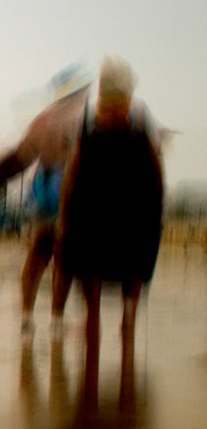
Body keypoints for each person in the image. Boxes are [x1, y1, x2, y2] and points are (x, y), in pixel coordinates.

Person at [58, 56, 163, 397]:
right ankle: (94, 370)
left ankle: (124, 344)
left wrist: (155, 208)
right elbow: (73, 171)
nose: (113, 112)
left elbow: (154, 166)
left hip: (129, 207)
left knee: (128, 275)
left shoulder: (139, 118)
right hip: (96, 207)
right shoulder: (90, 120)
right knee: (93, 282)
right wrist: (65, 216)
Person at [0, 64, 91, 334]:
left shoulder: (42, 120)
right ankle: (56, 319)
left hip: (42, 189)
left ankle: (26, 316)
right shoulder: (84, 117)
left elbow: (21, 157)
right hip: (70, 188)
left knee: (37, 253)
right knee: (65, 258)